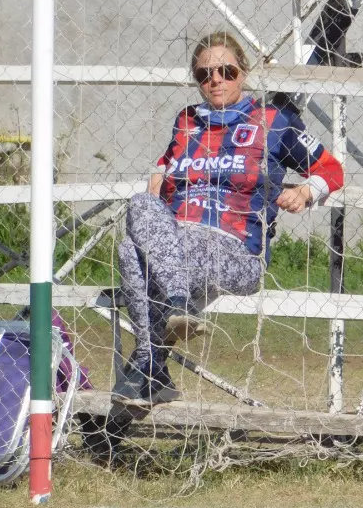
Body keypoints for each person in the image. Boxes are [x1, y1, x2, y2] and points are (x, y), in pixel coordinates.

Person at [111, 30, 344, 406]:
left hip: (236, 254)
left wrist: (305, 191)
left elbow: (331, 169)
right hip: (179, 244)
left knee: (132, 251)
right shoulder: (186, 122)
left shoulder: (274, 122)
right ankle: (176, 312)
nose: (214, 80)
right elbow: (171, 160)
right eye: (204, 75)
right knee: (136, 215)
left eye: (225, 71)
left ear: (243, 72)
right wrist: (160, 168)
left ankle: (149, 362)